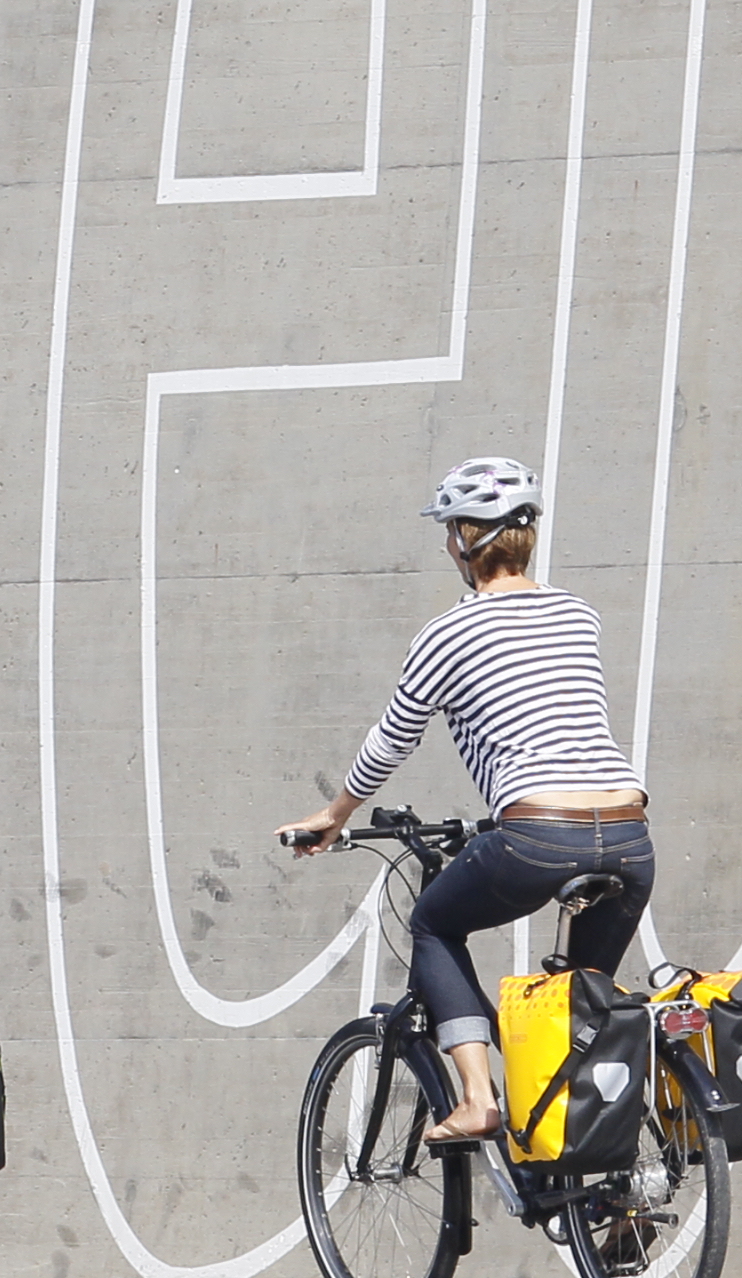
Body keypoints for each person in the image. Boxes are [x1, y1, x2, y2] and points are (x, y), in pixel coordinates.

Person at [279, 456, 654, 1146]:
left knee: (433, 926)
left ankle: (479, 1097)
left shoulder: (447, 633)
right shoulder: (577, 613)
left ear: (462, 540)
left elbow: (391, 741)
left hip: (538, 835)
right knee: (580, 1018)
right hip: (630, 835)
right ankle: (614, 1195)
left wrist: (334, 816)